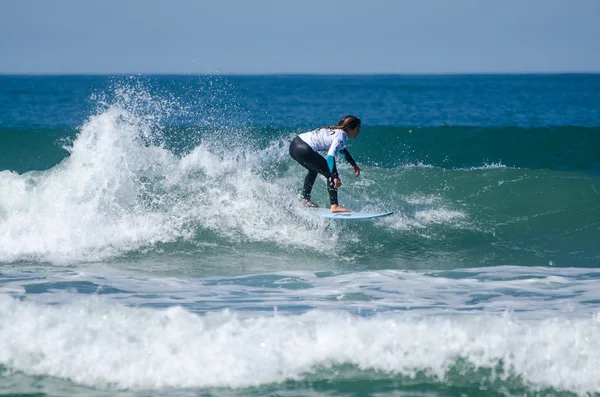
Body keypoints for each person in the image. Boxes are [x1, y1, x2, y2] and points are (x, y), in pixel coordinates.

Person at [289, 115, 361, 213]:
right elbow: (330, 157)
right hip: (305, 149)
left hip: (295, 145)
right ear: (349, 128)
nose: (358, 131)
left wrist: (354, 165)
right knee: (330, 173)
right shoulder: (341, 135)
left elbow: (342, 150)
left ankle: (306, 200)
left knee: (313, 170)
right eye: (357, 129)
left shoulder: (335, 130)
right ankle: (334, 206)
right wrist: (334, 176)